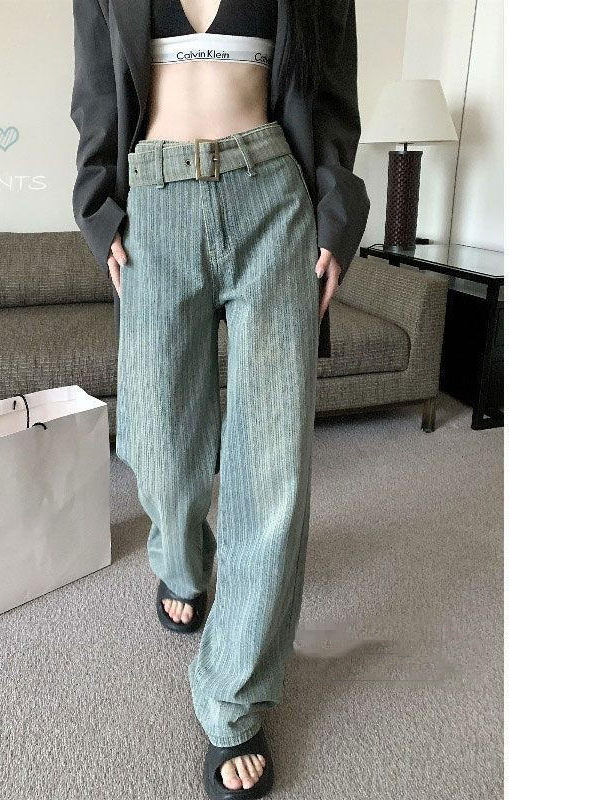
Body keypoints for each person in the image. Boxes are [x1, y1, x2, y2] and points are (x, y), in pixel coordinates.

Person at [71, 1, 369, 796]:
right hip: (156, 202)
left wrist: (337, 218)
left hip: (272, 196)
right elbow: (97, 92)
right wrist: (99, 210)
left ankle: (234, 698)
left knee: (271, 466)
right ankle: (182, 558)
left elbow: (332, 90)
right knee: (160, 444)